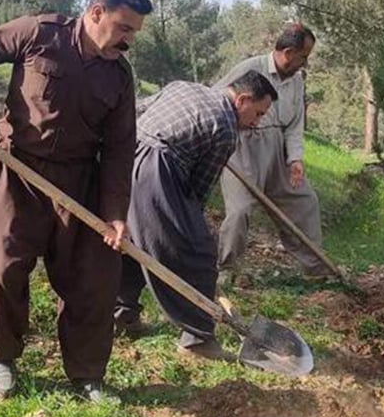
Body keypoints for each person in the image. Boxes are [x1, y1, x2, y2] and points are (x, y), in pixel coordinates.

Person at [0, 0, 153, 401]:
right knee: (4, 266)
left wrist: (115, 212)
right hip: (16, 171)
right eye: (124, 28)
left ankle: (87, 375)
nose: (129, 40)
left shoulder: (119, 74)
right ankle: (1, 358)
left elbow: (119, 147)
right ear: (96, 13)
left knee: (96, 277)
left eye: (134, 31)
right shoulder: (40, 33)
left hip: (80, 183)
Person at [114, 71, 278, 359]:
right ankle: (198, 339)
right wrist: (191, 230)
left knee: (136, 242)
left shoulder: (182, 87)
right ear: (242, 100)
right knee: (199, 252)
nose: (256, 123)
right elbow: (198, 188)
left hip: (123, 158)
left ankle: (121, 314)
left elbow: (136, 107)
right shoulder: (226, 128)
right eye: (258, 113)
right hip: (155, 170)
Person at [215, 23, 328, 285]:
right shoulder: (250, 68)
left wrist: (295, 158)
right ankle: (227, 268)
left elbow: (296, 123)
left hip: (277, 148)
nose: (305, 63)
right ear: (288, 52)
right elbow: (218, 97)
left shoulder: (297, 81)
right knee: (240, 208)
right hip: (242, 145)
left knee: (304, 200)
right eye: (303, 56)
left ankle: (316, 267)